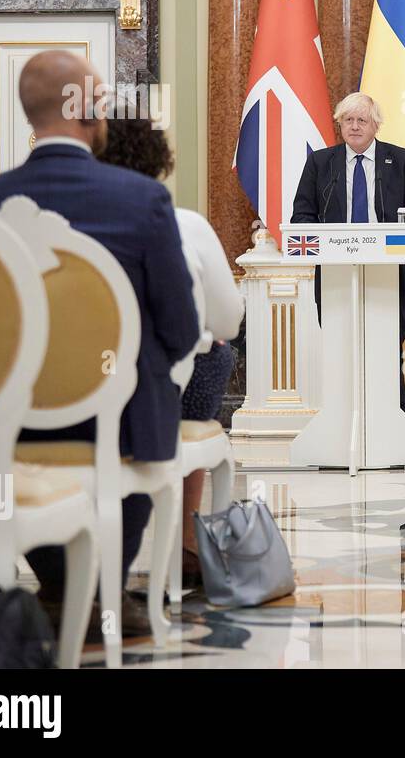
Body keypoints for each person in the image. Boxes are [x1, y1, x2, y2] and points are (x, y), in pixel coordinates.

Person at [0, 51, 200, 637]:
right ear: (91, 110)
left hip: (9, 422)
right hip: (118, 422)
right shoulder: (142, 200)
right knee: (151, 400)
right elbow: (179, 328)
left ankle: (56, 584)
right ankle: (97, 589)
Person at [98, 115, 245, 590]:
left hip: (63, 393)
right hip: (151, 396)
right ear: (158, 164)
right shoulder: (181, 224)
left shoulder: (57, 217)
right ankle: (185, 534)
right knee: (216, 350)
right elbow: (227, 321)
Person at [291, 92, 405, 411]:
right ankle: (341, 424)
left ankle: (394, 424)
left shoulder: (402, 159)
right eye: (347, 120)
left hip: (389, 278)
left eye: (361, 120)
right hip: (336, 278)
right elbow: (302, 215)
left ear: (376, 125)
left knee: (387, 353)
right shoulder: (320, 162)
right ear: (339, 125)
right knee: (341, 355)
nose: (354, 126)